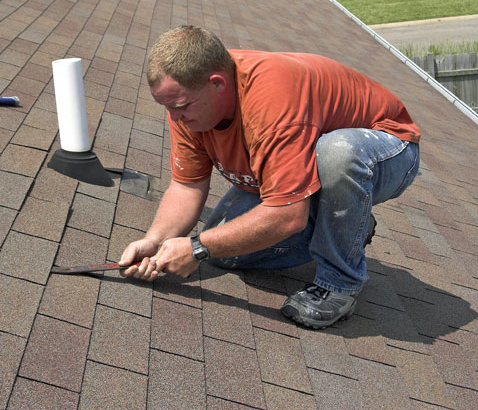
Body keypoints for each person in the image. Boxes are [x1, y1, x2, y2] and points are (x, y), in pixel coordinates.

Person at [119, 25, 421, 329]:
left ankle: (339, 283)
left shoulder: (271, 99)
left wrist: (195, 247)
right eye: (167, 107)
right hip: (305, 164)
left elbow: (287, 217)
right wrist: (156, 241)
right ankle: (346, 224)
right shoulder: (188, 103)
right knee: (224, 251)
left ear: (217, 84)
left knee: (338, 152)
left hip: (388, 149)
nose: (174, 118)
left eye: (180, 106)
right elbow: (187, 185)